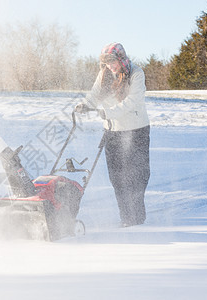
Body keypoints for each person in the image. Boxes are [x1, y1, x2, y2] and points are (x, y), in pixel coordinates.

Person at [75, 43, 150, 227]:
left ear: (121, 59)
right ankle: (126, 217)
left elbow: (132, 102)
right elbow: (94, 95)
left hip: (136, 130)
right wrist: (85, 105)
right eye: (107, 63)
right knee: (117, 177)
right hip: (113, 131)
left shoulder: (136, 73)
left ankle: (137, 217)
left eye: (113, 62)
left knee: (137, 176)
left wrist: (108, 113)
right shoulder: (104, 74)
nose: (110, 66)